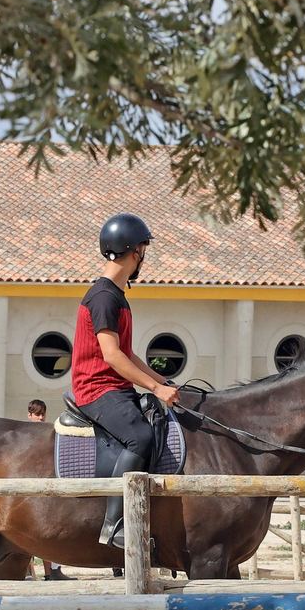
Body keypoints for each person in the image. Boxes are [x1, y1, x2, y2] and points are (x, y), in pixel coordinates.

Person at [70, 213, 180, 549]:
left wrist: (165, 382)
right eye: (144, 249)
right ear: (135, 252)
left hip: (114, 386)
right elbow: (112, 356)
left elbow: (128, 354)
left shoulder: (117, 295)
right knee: (140, 437)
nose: (144, 256)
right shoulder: (104, 297)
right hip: (96, 388)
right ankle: (115, 524)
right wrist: (155, 389)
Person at [24, 399, 72, 580]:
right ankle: (27, 572)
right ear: (29, 415)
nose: (41, 418)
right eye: (37, 414)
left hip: (45, 485)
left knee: (47, 533)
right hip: (27, 487)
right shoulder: (24, 435)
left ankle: (51, 572)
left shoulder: (50, 432)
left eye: (42, 414)